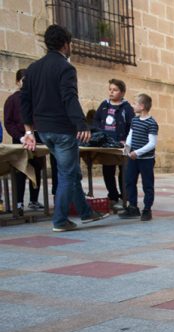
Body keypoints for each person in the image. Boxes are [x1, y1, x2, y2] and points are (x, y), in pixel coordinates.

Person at [20, 24, 109, 232]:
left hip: (43, 130)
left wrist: (28, 131)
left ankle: (86, 213)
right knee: (67, 174)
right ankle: (60, 220)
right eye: (70, 44)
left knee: (71, 171)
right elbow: (69, 97)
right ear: (65, 44)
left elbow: (25, 100)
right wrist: (81, 124)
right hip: (61, 130)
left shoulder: (33, 69)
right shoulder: (65, 68)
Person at [4, 68, 44, 215]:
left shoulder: (36, 99)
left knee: (37, 168)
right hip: (19, 140)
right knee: (20, 170)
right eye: (24, 80)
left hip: (37, 139)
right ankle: (19, 202)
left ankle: (34, 199)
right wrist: (20, 137)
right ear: (17, 82)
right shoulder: (12, 100)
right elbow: (8, 123)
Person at [93, 78, 134, 209]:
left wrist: (127, 141)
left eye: (115, 90)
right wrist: (100, 134)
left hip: (122, 144)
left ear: (122, 93)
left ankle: (125, 196)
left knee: (124, 171)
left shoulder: (126, 108)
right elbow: (96, 120)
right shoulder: (104, 105)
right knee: (108, 170)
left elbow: (131, 125)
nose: (111, 92)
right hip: (106, 144)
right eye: (110, 89)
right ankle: (113, 195)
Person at [118, 93, 157, 221]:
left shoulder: (152, 123)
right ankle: (133, 207)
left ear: (142, 106)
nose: (132, 105)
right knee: (129, 181)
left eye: (135, 103)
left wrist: (137, 152)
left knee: (147, 184)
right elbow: (130, 135)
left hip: (146, 160)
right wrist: (127, 149)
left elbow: (152, 143)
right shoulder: (134, 120)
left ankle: (147, 209)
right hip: (133, 158)